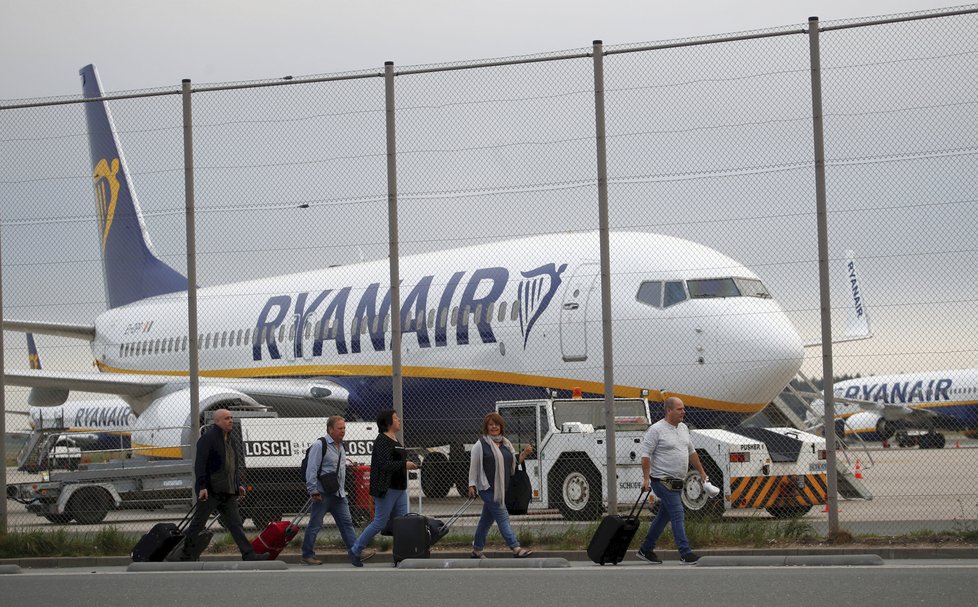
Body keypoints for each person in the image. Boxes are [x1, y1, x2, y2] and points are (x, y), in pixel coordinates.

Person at [179, 408, 269, 561]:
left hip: (228, 491)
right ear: (217, 421)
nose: (230, 420)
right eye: (226, 418)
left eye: (231, 417)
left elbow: (233, 465)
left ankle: (248, 554)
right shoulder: (207, 439)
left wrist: (237, 485)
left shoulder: (231, 440)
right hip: (210, 491)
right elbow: (200, 465)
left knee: (235, 524)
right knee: (198, 524)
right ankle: (185, 555)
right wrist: (202, 487)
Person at [636, 396, 708, 565]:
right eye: (679, 409)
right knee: (677, 513)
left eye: (683, 408)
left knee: (663, 516)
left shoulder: (683, 428)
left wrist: (702, 472)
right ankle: (685, 552)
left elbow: (692, 452)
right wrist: (646, 478)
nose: (684, 412)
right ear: (669, 411)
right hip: (661, 480)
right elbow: (645, 455)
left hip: (677, 482)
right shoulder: (656, 430)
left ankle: (645, 549)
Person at [300, 415, 375, 565]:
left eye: (344, 428)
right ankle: (307, 554)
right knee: (316, 524)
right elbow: (312, 469)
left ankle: (355, 552)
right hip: (322, 494)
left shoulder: (341, 446)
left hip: (338, 493)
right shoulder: (320, 445)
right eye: (340, 428)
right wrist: (313, 490)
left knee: (346, 523)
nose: (343, 431)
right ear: (330, 429)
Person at [348, 409, 418, 567]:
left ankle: (401, 554)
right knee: (379, 522)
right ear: (387, 422)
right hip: (387, 488)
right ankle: (355, 550)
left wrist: (405, 464)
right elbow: (384, 464)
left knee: (402, 523)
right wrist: (404, 464)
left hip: (400, 488)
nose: (399, 419)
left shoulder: (394, 439)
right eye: (395, 418)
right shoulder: (382, 441)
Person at [467, 412, 534, 559]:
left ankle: (477, 550)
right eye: (490, 425)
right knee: (503, 517)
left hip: (502, 488)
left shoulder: (506, 443)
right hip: (487, 488)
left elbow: (514, 462)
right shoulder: (481, 444)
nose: (493, 427)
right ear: (486, 427)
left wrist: (525, 453)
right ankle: (516, 548)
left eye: (496, 424)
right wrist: (472, 484)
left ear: (501, 426)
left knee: (485, 521)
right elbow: (474, 466)